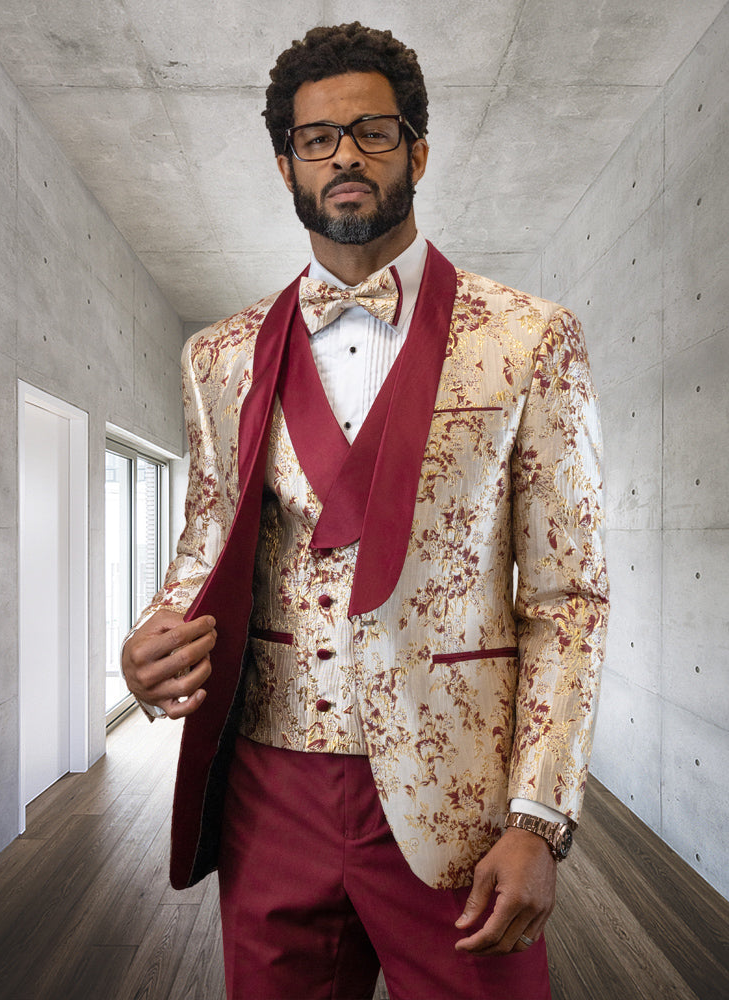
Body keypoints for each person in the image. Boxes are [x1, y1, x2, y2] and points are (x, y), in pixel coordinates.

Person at [122, 22, 608, 1000]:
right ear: (285, 165)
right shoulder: (217, 356)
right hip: (269, 789)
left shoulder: (528, 337)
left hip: (462, 796)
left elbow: (568, 599)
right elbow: (204, 549)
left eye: (372, 132)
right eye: (316, 139)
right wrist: (148, 643)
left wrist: (537, 814)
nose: (344, 154)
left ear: (416, 150)